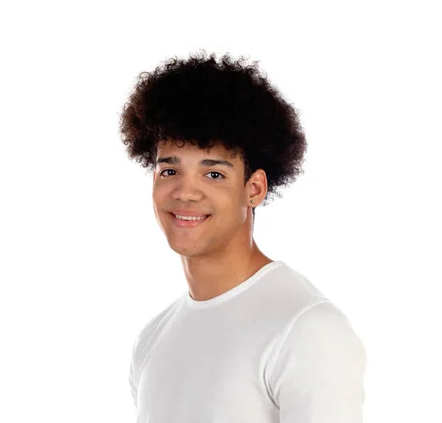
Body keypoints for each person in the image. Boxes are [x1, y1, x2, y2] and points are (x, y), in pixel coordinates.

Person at [119, 51, 367, 423]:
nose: (185, 193)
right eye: (169, 170)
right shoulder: (153, 339)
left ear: (254, 189)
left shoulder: (306, 329)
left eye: (213, 174)